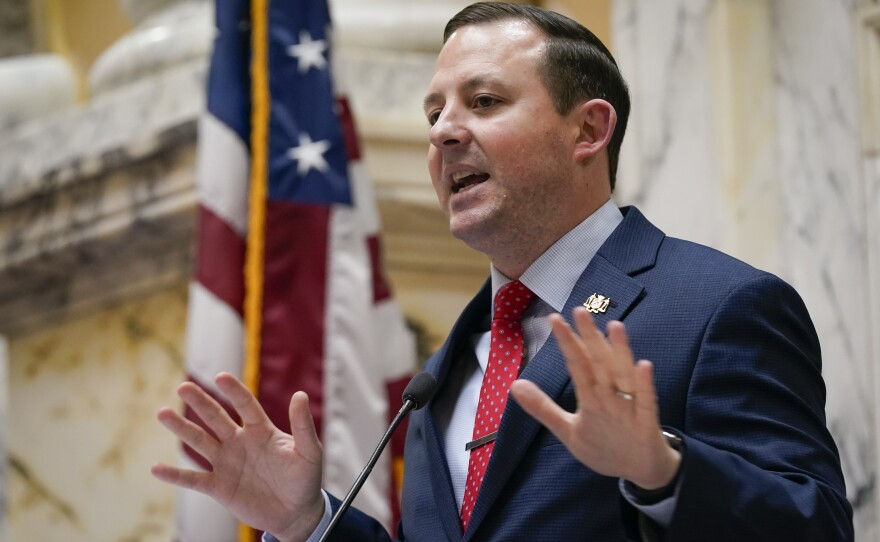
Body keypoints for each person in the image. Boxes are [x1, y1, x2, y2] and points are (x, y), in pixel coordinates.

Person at [152, 3, 854, 541]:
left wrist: (662, 472)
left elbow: (816, 524)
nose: (443, 132)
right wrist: (307, 521)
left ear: (589, 130)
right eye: (435, 111)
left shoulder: (716, 306)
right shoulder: (446, 370)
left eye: (484, 102)